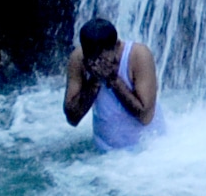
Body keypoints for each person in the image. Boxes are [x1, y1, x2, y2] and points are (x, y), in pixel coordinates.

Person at [62, 18, 161, 150]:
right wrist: (94, 81)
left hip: (147, 150)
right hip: (106, 154)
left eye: (102, 59)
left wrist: (113, 79)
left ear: (117, 46)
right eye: (92, 60)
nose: (97, 64)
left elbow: (145, 117)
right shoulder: (78, 58)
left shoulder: (139, 55)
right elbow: (72, 118)